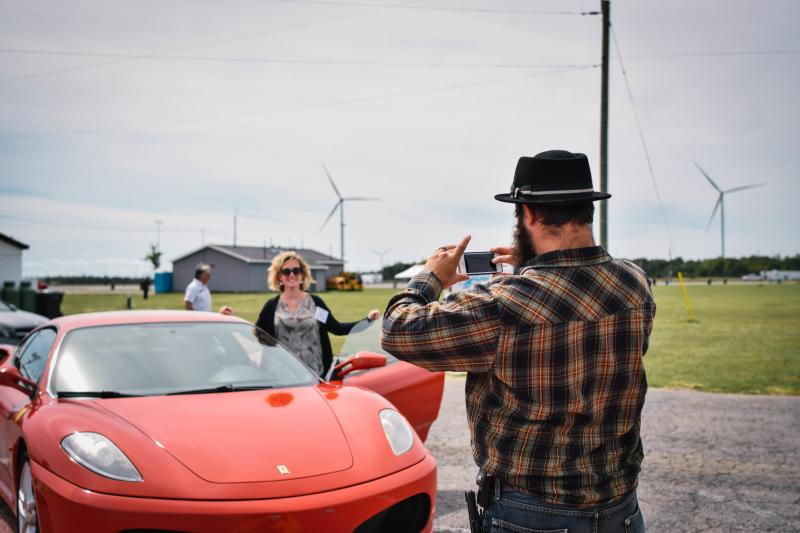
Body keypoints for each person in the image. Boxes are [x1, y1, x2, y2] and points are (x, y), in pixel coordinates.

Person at [381, 150, 655, 532]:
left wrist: (431, 278)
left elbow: (397, 329)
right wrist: (531, 265)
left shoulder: (503, 303)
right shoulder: (635, 284)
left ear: (530, 214)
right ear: (587, 209)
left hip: (531, 513)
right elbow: (580, 286)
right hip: (621, 509)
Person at [255, 251, 380, 377]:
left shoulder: (315, 304)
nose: (292, 275)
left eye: (296, 271)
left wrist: (367, 320)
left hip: (315, 376)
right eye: (286, 271)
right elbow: (257, 335)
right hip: (281, 377)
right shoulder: (271, 307)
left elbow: (337, 328)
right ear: (279, 276)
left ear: (302, 275)